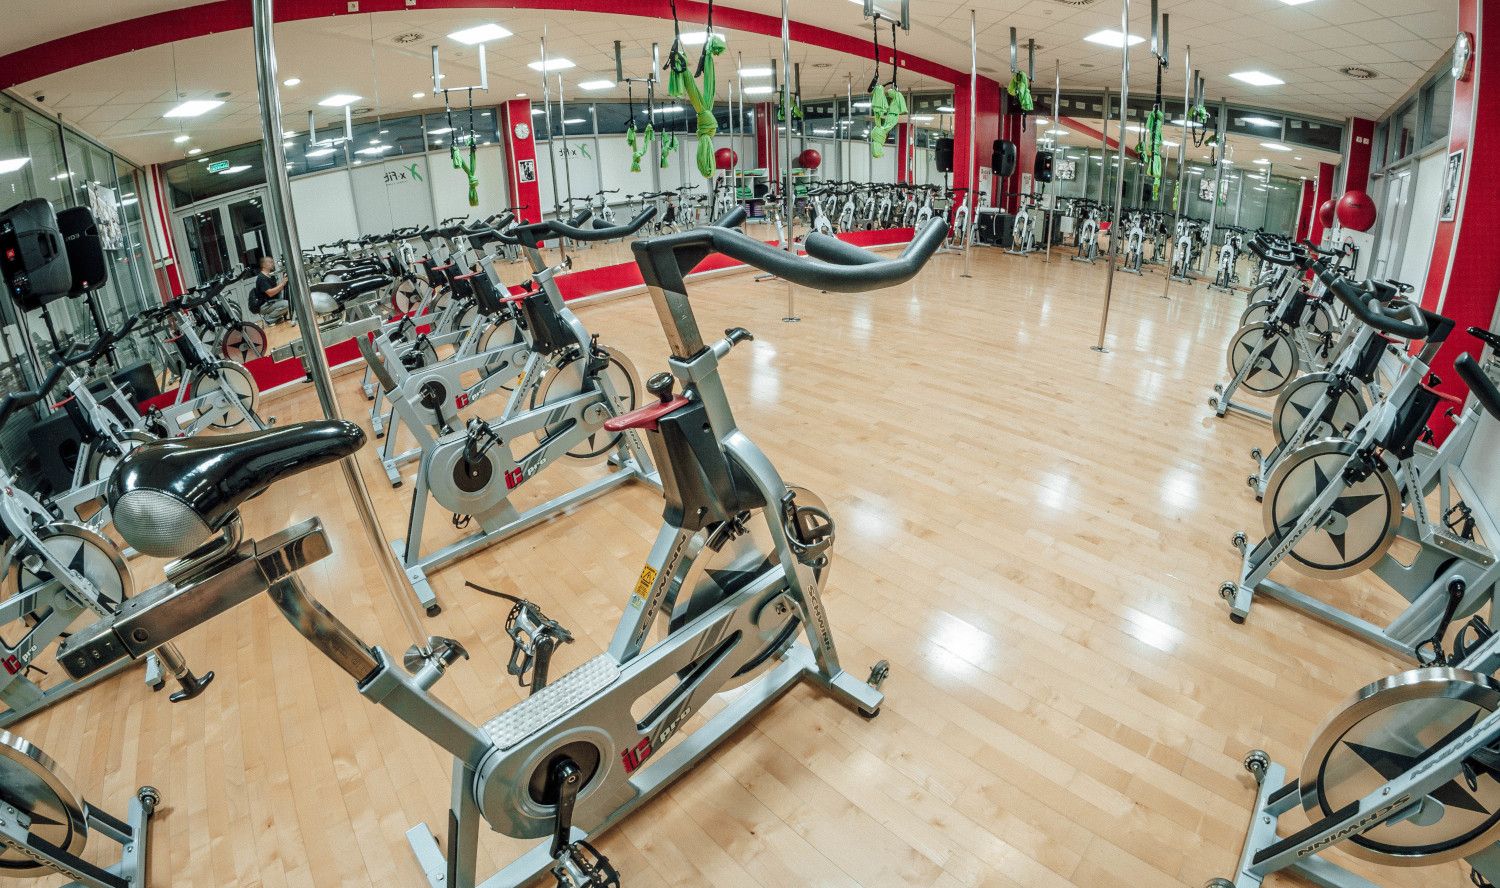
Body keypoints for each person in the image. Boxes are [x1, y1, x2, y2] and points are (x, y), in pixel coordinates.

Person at [250, 255, 290, 323]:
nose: (273, 264)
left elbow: (277, 289)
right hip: (265, 305)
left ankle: (276, 318)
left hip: (272, 302)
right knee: (287, 304)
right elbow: (270, 293)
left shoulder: (270, 276)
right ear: (264, 265)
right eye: (270, 262)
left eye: (272, 262)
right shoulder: (261, 278)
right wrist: (282, 283)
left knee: (287, 302)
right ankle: (268, 318)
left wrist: (283, 282)